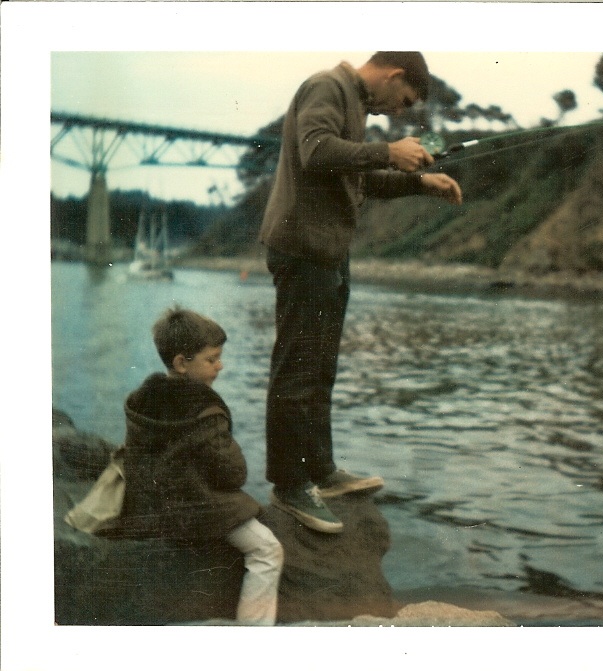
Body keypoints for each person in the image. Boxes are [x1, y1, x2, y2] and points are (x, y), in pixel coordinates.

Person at [260, 52, 463, 533]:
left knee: (321, 366)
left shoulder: (353, 102)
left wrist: (419, 183)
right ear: (393, 75)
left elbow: (356, 175)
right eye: (404, 99)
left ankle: (320, 472)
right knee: (297, 368)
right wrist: (390, 151)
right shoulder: (326, 87)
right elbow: (316, 152)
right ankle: (290, 486)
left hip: (328, 250)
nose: (398, 110)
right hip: (303, 246)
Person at [120, 307, 284, 625]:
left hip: (148, 509)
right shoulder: (204, 409)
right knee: (268, 549)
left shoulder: (141, 400)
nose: (219, 366)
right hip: (192, 512)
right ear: (182, 363)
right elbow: (233, 472)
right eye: (212, 359)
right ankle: (255, 635)